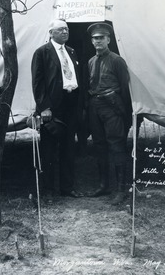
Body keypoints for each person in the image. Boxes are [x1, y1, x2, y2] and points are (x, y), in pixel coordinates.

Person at [31, 19, 83, 199]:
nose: (65, 32)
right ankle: (49, 191)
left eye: (67, 30)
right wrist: (44, 108)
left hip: (71, 104)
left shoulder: (72, 52)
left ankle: (67, 188)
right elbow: (38, 83)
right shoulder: (42, 53)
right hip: (53, 107)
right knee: (49, 150)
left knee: (69, 148)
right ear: (51, 32)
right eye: (61, 30)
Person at [87, 22, 133, 205]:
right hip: (95, 106)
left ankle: (121, 190)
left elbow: (125, 88)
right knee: (99, 145)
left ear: (108, 40)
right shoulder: (91, 61)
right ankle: (103, 185)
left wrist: (125, 113)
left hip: (112, 107)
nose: (98, 41)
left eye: (101, 38)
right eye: (95, 38)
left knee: (116, 145)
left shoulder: (117, 60)